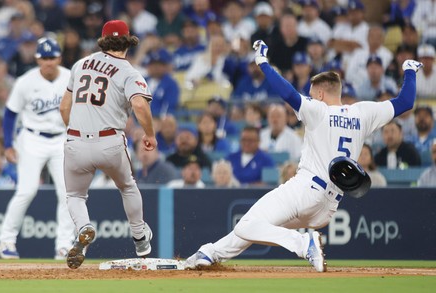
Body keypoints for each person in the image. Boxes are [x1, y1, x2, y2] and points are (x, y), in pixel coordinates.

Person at [185, 39, 421, 272]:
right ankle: (211, 252)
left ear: (319, 93)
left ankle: (303, 243)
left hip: (306, 189)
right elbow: (406, 101)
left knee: (247, 224)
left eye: (311, 93)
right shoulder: (363, 113)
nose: (308, 96)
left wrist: (263, 63)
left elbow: (288, 94)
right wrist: (409, 70)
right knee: (258, 225)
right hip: (329, 207)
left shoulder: (319, 110)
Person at [59, 20, 157, 269]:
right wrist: (150, 134)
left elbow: (64, 107)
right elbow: (139, 105)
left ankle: (84, 227)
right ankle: (139, 238)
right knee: (127, 186)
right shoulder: (129, 72)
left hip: (76, 141)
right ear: (128, 42)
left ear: (103, 41)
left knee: (74, 195)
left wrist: (74, 130)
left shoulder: (80, 64)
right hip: (110, 141)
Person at [0, 37, 75, 260]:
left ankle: (64, 245)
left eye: (52, 57)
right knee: (26, 190)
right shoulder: (25, 81)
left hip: (61, 138)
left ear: (59, 57)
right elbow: (11, 114)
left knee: (68, 193)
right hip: (32, 138)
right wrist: (9, 145)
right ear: (37, 59)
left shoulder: (71, 78)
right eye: (44, 58)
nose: (48, 62)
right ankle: (6, 241)